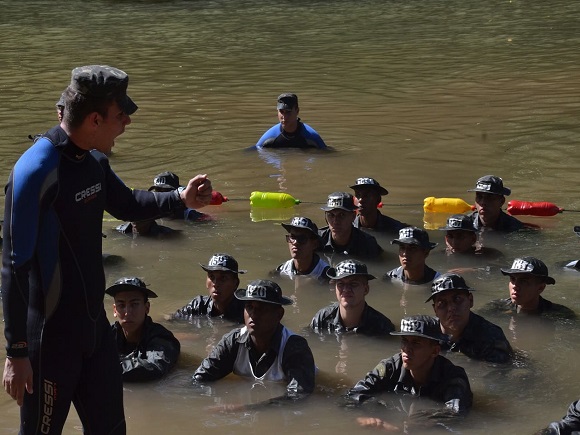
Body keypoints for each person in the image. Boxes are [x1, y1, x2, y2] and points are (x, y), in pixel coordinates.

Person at [1, 64, 212, 434]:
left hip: (94, 332)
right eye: (121, 116)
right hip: (49, 342)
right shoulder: (35, 171)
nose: (127, 123)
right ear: (95, 119)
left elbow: (129, 204)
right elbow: (13, 267)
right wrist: (16, 353)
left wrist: (181, 197)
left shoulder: (94, 161)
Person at [193, 279, 316, 402]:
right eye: (249, 307)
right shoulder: (232, 342)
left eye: (262, 308)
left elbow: (299, 397)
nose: (254, 314)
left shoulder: (294, 347)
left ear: (279, 315)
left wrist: (248, 409)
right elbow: (199, 379)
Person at [346, 315, 473, 430]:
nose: (407, 349)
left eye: (416, 343)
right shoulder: (390, 367)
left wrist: (402, 427)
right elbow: (351, 396)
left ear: (434, 351)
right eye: (404, 341)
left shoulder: (453, 376)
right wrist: (361, 417)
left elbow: (456, 413)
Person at [106, 277, 180, 382]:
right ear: (114, 310)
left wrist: (105, 369)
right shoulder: (106, 334)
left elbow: (154, 368)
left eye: (134, 304)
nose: (127, 312)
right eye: (121, 305)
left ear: (147, 308)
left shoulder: (162, 338)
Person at [427, 273, 512, 363]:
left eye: (457, 299)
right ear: (435, 310)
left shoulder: (491, 338)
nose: (451, 308)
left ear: (470, 300)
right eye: (442, 303)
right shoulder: (427, 333)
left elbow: (499, 373)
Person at [310, 259, 395, 335]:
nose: (346, 289)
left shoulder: (382, 326)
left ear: (366, 289)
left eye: (353, 284)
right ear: (335, 289)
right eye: (341, 284)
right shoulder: (321, 319)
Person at [480, 257, 576, 319]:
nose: (515, 286)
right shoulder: (496, 308)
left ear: (540, 288)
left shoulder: (559, 315)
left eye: (523, 281)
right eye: (513, 279)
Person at [172, 253, 247, 323]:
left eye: (223, 278)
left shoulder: (247, 310)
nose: (216, 283)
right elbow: (169, 320)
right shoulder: (198, 306)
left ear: (236, 284)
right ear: (206, 283)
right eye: (212, 277)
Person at [318, 192, 383, 261]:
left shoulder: (368, 244)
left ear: (353, 216)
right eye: (331, 215)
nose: (335, 221)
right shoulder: (316, 240)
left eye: (342, 215)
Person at [253, 93, 327, 149]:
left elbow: (327, 154)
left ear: (297, 111)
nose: (284, 117)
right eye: (281, 112)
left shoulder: (311, 136)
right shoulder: (270, 137)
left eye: (288, 112)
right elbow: (256, 151)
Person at [272, 216, 330, 283]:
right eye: (292, 237)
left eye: (302, 238)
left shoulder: (326, 275)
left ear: (314, 244)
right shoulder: (281, 271)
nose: (295, 243)